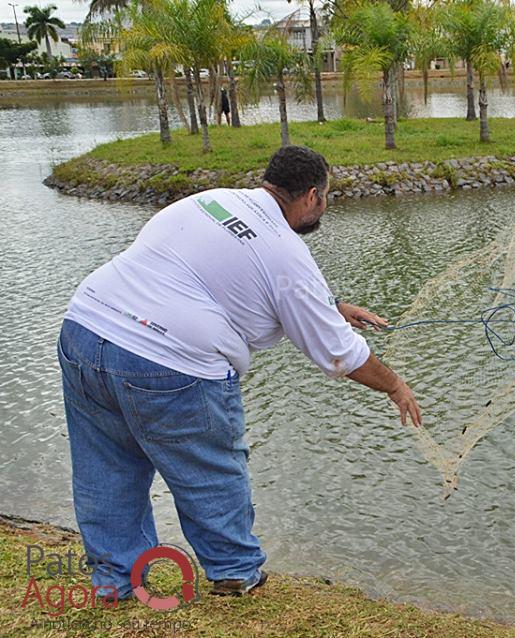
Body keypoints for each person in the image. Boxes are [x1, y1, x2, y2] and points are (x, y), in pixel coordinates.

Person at [57, 145, 421, 600]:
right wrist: (396, 385)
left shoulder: (211, 199)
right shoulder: (288, 254)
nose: (325, 206)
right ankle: (233, 572)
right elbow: (339, 355)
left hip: (84, 329)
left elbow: (225, 273)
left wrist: (330, 308)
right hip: (168, 361)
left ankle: (114, 582)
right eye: (327, 197)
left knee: (105, 467)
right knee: (210, 470)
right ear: (311, 196)